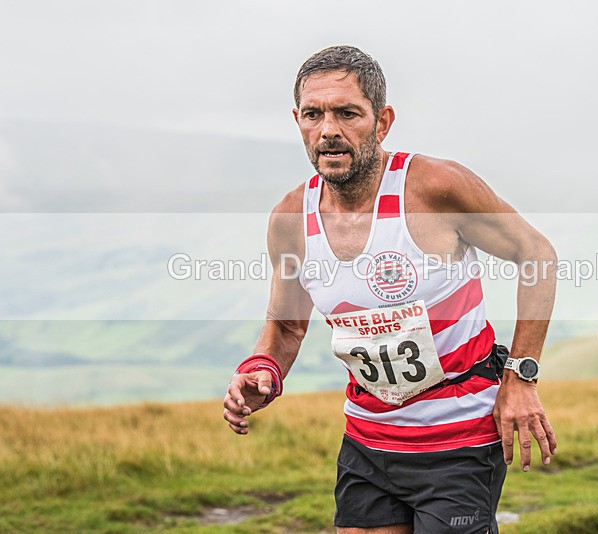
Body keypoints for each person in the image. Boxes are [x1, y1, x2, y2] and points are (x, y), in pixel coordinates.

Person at [222, 45, 558, 533]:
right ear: (298, 120)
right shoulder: (290, 219)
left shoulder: (435, 188)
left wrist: (522, 375)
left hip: (460, 443)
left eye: (347, 113)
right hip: (368, 443)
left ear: (382, 122)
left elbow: (537, 255)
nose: (329, 130)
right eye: (313, 114)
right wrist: (262, 369)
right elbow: (287, 326)